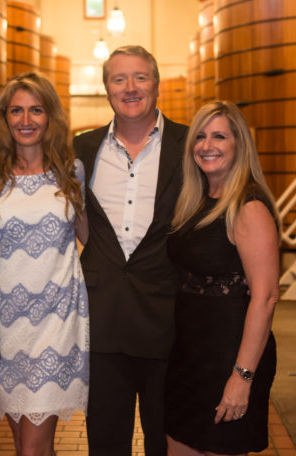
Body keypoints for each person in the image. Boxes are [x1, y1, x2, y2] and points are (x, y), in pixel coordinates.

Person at [72, 45, 189, 456]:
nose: (130, 87)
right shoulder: (82, 150)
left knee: (165, 440)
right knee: (105, 443)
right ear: (106, 88)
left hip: (169, 321)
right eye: (118, 79)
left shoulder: (189, 145)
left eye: (140, 77)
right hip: (102, 323)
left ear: (156, 84)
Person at [165, 101, 279, 455]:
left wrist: (241, 377)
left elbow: (266, 297)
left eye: (219, 136)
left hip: (229, 357)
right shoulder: (195, 201)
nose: (206, 145)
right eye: (199, 136)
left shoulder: (248, 207)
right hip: (189, 356)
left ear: (238, 144)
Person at [0, 72, 89, 456]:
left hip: (56, 322)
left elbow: (92, 239)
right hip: (9, 330)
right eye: (16, 111)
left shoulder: (71, 173)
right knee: (24, 444)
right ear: (5, 118)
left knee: (32, 447)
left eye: (36, 110)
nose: (26, 120)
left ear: (50, 118)